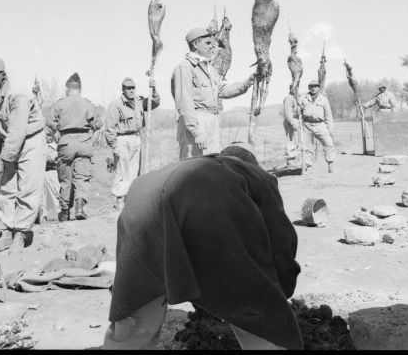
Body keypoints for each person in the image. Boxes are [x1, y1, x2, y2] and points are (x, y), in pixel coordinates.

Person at [103, 142, 303, 350]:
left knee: (140, 297)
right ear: (252, 164)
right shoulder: (254, 173)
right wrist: (277, 294)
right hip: (202, 207)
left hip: (138, 205)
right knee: (251, 300)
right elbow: (281, 239)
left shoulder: (194, 166)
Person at [0, 57, 46, 252]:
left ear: (3, 75)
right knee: (7, 186)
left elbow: (18, 131)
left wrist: (5, 158)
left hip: (30, 139)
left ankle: (21, 233)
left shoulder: (18, 95)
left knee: (27, 186)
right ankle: (7, 231)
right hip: (8, 139)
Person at [171, 27, 255, 159]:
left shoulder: (209, 68)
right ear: (195, 44)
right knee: (193, 168)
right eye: (208, 43)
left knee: (211, 166)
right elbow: (184, 103)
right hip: (195, 122)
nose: (212, 47)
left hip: (211, 120)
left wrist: (248, 82)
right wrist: (196, 132)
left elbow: (222, 90)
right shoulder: (185, 67)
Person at [51, 72, 102, 221]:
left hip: (65, 142)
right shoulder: (88, 104)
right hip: (84, 142)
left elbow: (50, 127)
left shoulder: (59, 104)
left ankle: (65, 212)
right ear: (80, 89)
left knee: (66, 179)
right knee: (82, 177)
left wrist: (59, 142)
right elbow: (97, 126)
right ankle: (79, 208)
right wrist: (90, 141)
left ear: (67, 89)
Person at [104, 77, 160, 210]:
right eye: (128, 88)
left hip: (136, 137)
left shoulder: (139, 102)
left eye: (133, 88)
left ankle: (130, 198)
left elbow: (154, 103)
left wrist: (154, 89)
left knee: (134, 170)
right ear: (123, 90)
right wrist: (113, 145)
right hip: (121, 139)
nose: (131, 91)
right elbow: (109, 127)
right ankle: (119, 200)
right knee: (122, 170)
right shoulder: (116, 104)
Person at [299, 80, 335, 173]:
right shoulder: (303, 98)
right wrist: (300, 108)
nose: (313, 88)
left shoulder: (323, 99)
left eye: (315, 86)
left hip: (320, 124)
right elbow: (297, 111)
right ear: (309, 88)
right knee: (307, 147)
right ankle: (307, 166)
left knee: (328, 144)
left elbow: (328, 115)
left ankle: (330, 164)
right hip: (307, 124)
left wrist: (330, 129)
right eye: (311, 86)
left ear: (318, 88)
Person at [283, 84, 300, 160]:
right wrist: (292, 123)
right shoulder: (289, 98)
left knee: (294, 139)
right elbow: (288, 113)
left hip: (294, 120)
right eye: (293, 89)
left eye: (296, 89)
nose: (295, 90)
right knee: (290, 139)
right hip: (290, 121)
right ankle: (290, 158)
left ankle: (294, 156)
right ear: (290, 89)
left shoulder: (294, 98)